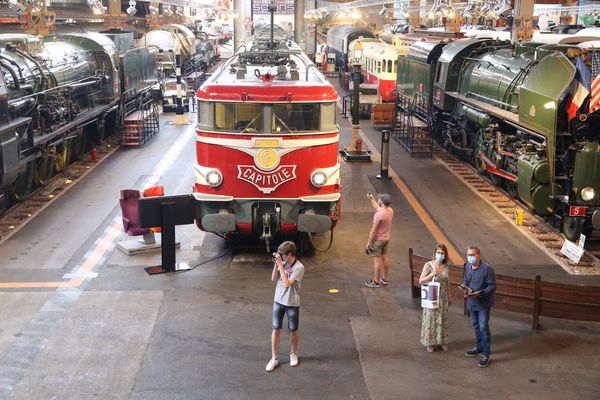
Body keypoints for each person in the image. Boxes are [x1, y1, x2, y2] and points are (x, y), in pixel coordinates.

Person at [266, 241, 305, 372]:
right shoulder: (282, 263)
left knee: (293, 330)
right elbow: (273, 279)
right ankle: (274, 358)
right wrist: (275, 266)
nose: (280, 256)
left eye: (281, 254)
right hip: (278, 301)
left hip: (292, 304)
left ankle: (293, 353)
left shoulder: (299, 268)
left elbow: (287, 283)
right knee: (276, 329)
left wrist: (281, 267)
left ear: (289, 255)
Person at [463, 246, 496, 368]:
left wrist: (481, 293)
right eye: (468, 255)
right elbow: (466, 280)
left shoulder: (487, 269)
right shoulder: (467, 266)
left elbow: (492, 286)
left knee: (483, 328)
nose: (470, 257)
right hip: (472, 302)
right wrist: (465, 288)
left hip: (483, 304)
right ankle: (479, 347)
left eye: (472, 255)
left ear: (478, 255)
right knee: (476, 326)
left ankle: (486, 354)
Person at [419, 244, 450, 353]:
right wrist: (432, 274)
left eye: (442, 253)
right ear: (435, 253)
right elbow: (421, 280)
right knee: (431, 319)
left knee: (442, 319)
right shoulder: (428, 265)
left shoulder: (446, 266)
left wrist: (449, 296)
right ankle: (430, 342)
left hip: (443, 297)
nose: (440, 255)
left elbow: (447, 282)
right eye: (438, 252)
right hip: (432, 296)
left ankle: (441, 341)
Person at [364, 193, 394, 288]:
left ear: (381, 202)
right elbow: (378, 207)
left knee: (376, 260)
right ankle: (384, 278)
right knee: (384, 257)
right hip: (386, 239)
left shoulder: (378, 215)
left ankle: (376, 281)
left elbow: (373, 230)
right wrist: (372, 199)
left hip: (378, 240)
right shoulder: (390, 211)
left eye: (379, 199)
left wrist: (368, 242)